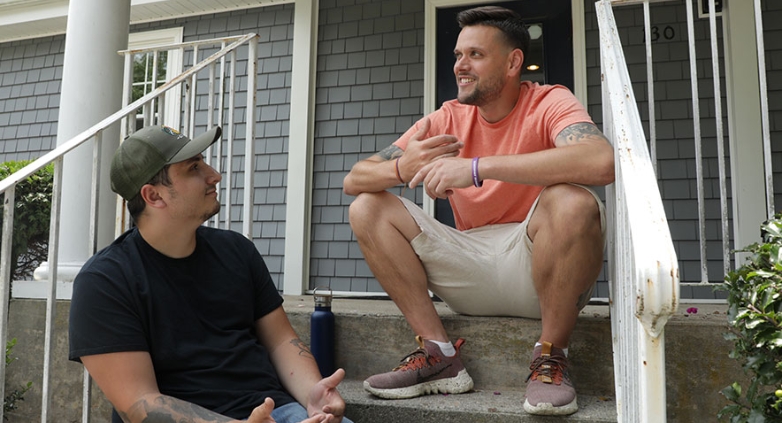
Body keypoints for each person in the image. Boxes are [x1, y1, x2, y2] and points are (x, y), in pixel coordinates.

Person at [342, 5, 614, 417]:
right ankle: (438, 355)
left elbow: (600, 161)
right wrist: (401, 167)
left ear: (513, 62)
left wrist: (476, 168)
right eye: (457, 55)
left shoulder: (549, 101)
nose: (460, 66)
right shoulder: (448, 117)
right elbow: (354, 179)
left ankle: (550, 358)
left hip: (536, 265)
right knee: (367, 207)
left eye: (474, 55)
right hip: (467, 264)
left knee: (574, 200)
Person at [69, 125, 353, 423]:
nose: (214, 174)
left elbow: (281, 341)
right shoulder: (105, 282)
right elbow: (139, 403)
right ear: (153, 195)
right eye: (193, 168)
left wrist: (312, 393)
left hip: (277, 412)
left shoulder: (236, 251)